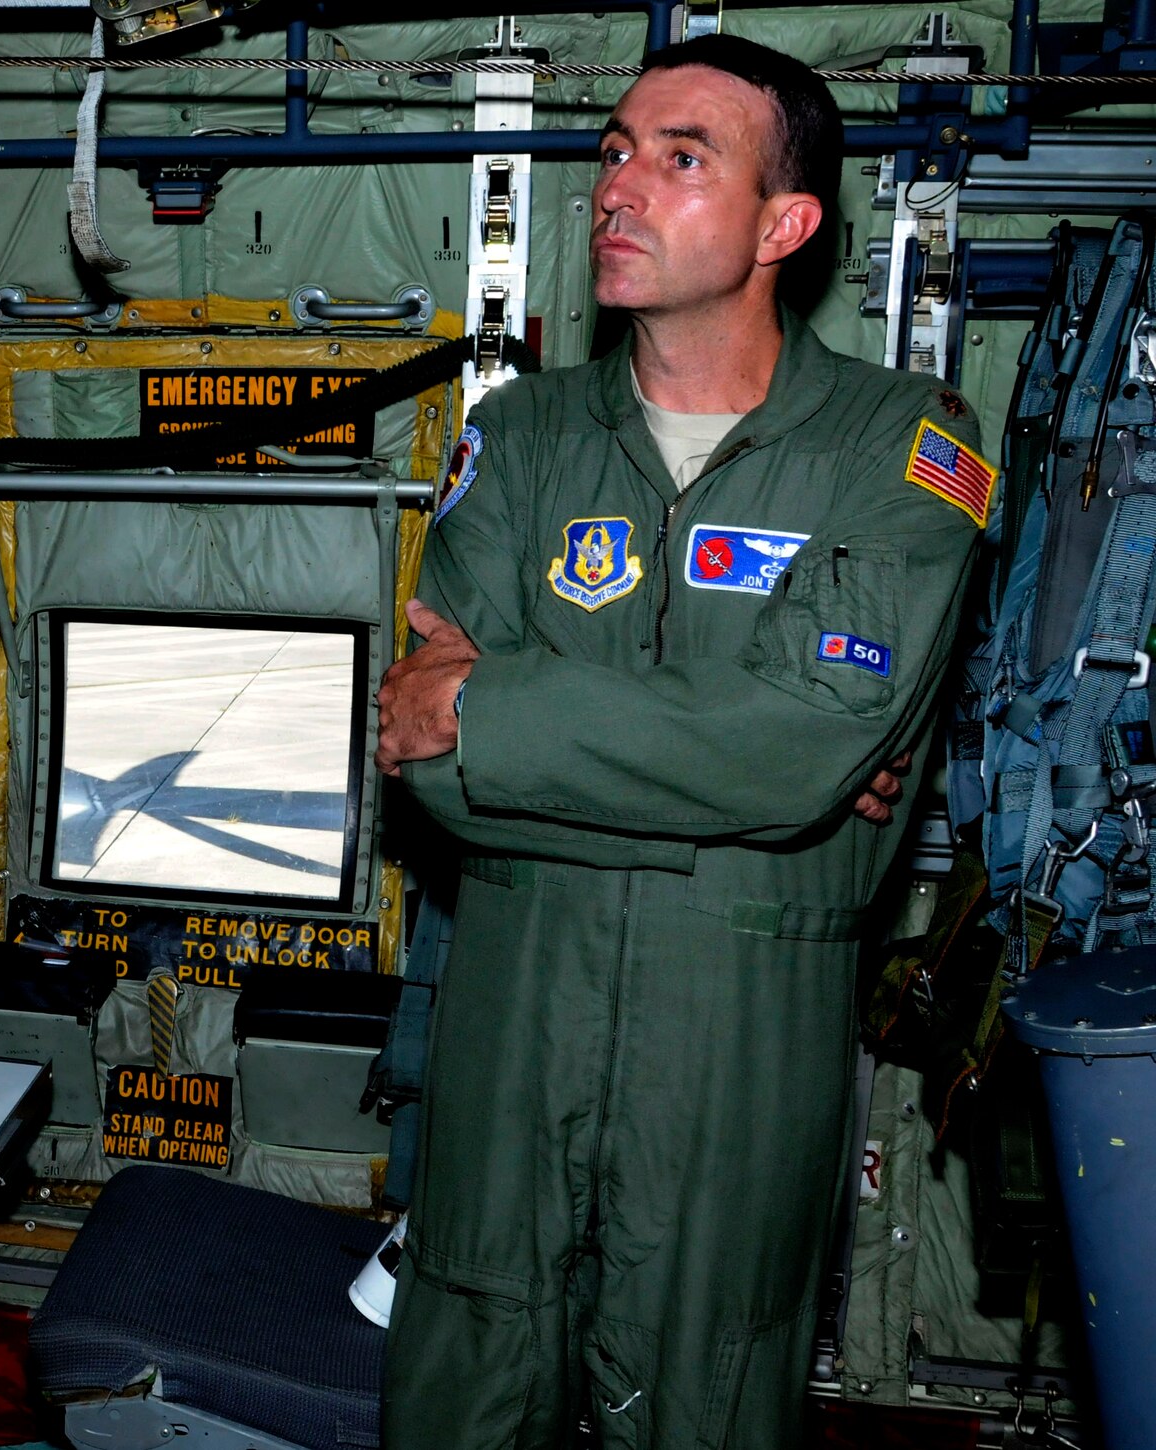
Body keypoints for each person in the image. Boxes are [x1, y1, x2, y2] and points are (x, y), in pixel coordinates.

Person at [373, 34, 991, 1450]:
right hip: (513, 1027)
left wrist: (500, 708)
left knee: (702, 1396)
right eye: (612, 152)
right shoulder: (521, 437)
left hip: (740, 1053)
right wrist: (756, 786)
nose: (618, 188)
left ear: (786, 224)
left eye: (681, 157)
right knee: (467, 1388)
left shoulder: (904, 445)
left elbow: (797, 744)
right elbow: (429, 756)